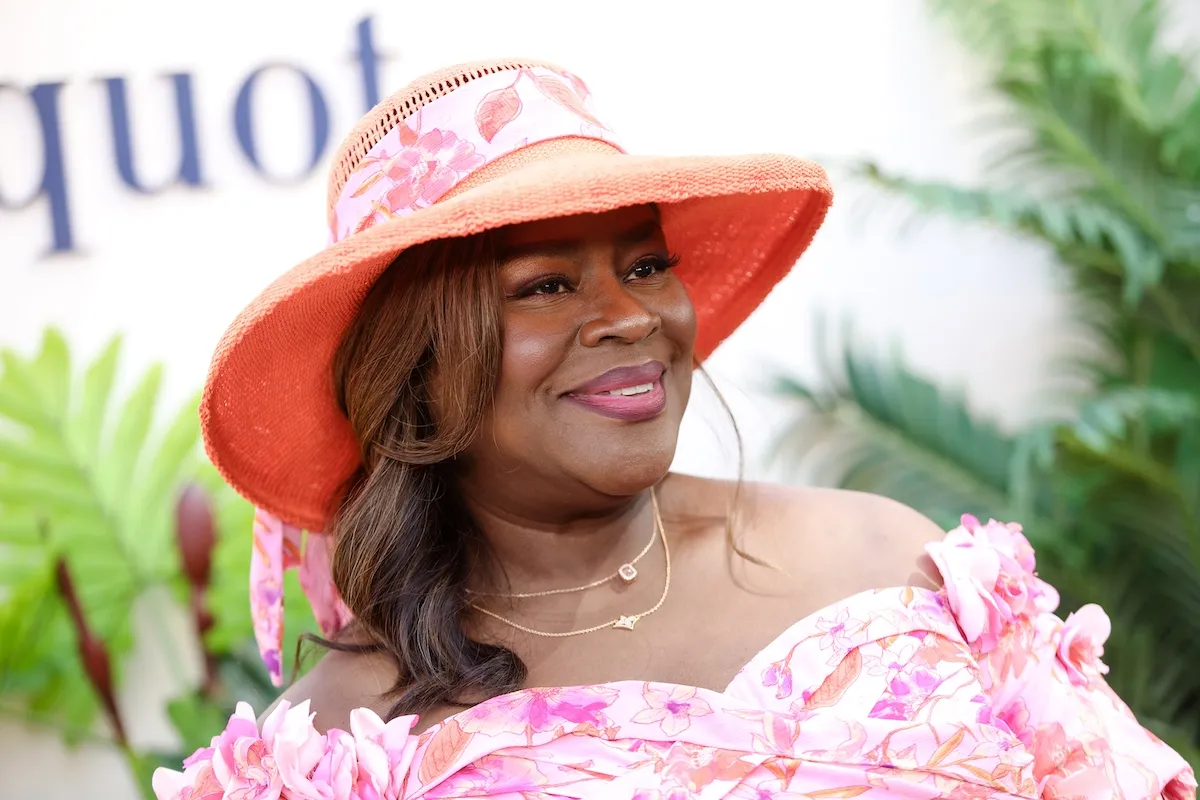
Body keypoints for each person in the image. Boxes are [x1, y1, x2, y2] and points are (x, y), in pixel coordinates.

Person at [154, 58, 1194, 800]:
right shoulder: (340, 750)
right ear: (419, 368)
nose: (629, 317)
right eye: (545, 283)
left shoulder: (898, 562)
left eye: (646, 265)